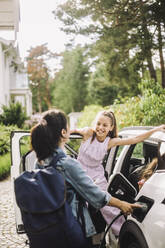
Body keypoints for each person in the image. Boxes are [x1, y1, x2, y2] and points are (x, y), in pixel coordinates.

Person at [29, 109, 140, 248]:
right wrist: (122, 204)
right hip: (69, 227)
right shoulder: (67, 164)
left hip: (45, 226)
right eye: (68, 127)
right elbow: (95, 194)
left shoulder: (39, 161)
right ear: (63, 133)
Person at [70, 109, 165, 236]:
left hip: (97, 177)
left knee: (108, 206)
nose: (100, 128)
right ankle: (76, 233)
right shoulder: (88, 133)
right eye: (98, 124)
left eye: (105, 125)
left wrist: (156, 129)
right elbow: (69, 132)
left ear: (111, 127)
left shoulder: (110, 142)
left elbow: (134, 139)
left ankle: (121, 234)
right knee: (76, 204)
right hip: (79, 173)